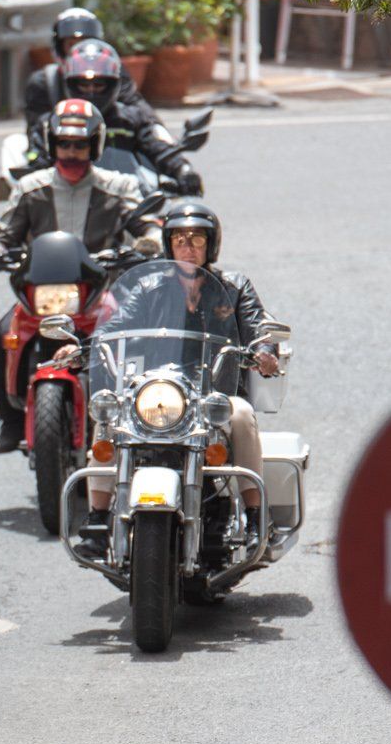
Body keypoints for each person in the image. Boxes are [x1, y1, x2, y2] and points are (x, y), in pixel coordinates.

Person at [77, 198, 282, 555]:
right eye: (181, 239)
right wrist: (84, 347)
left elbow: (257, 325)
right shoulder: (149, 286)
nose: (188, 246)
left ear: (211, 244)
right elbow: (116, 326)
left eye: (197, 238)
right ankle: (97, 520)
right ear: (169, 243)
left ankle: (254, 518)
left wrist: (265, 351)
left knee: (243, 414)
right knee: (109, 412)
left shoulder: (234, 287)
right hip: (159, 389)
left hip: (213, 392)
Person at [0, 98, 151, 454]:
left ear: (95, 145)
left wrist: (150, 238)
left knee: (140, 336)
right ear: (51, 144)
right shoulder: (31, 188)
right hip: (44, 292)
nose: (71, 152)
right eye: (64, 144)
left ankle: (145, 414)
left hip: (100, 291)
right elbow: (6, 233)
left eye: (80, 145)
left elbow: (143, 224)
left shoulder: (119, 187)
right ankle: (10, 419)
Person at [7, 5, 161, 192]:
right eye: (72, 44)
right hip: (63, 163)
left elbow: (140, 110)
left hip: (117, 162)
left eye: (99, 85)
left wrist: (159, 137)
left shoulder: (116, 78)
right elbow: (36, 131)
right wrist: (40, 165)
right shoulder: (44, 83)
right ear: (59, 46)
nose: (91, 90)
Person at [64, 40, 204, 195]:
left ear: (113, 84)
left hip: (130, 200)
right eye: (84, 85)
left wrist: (183, 169)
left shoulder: (131, 119)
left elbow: (157, 146)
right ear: (72, 84)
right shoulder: (57, 122)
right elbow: (39, 160)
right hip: (72, 201)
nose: (91, 91)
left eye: (98, 85)